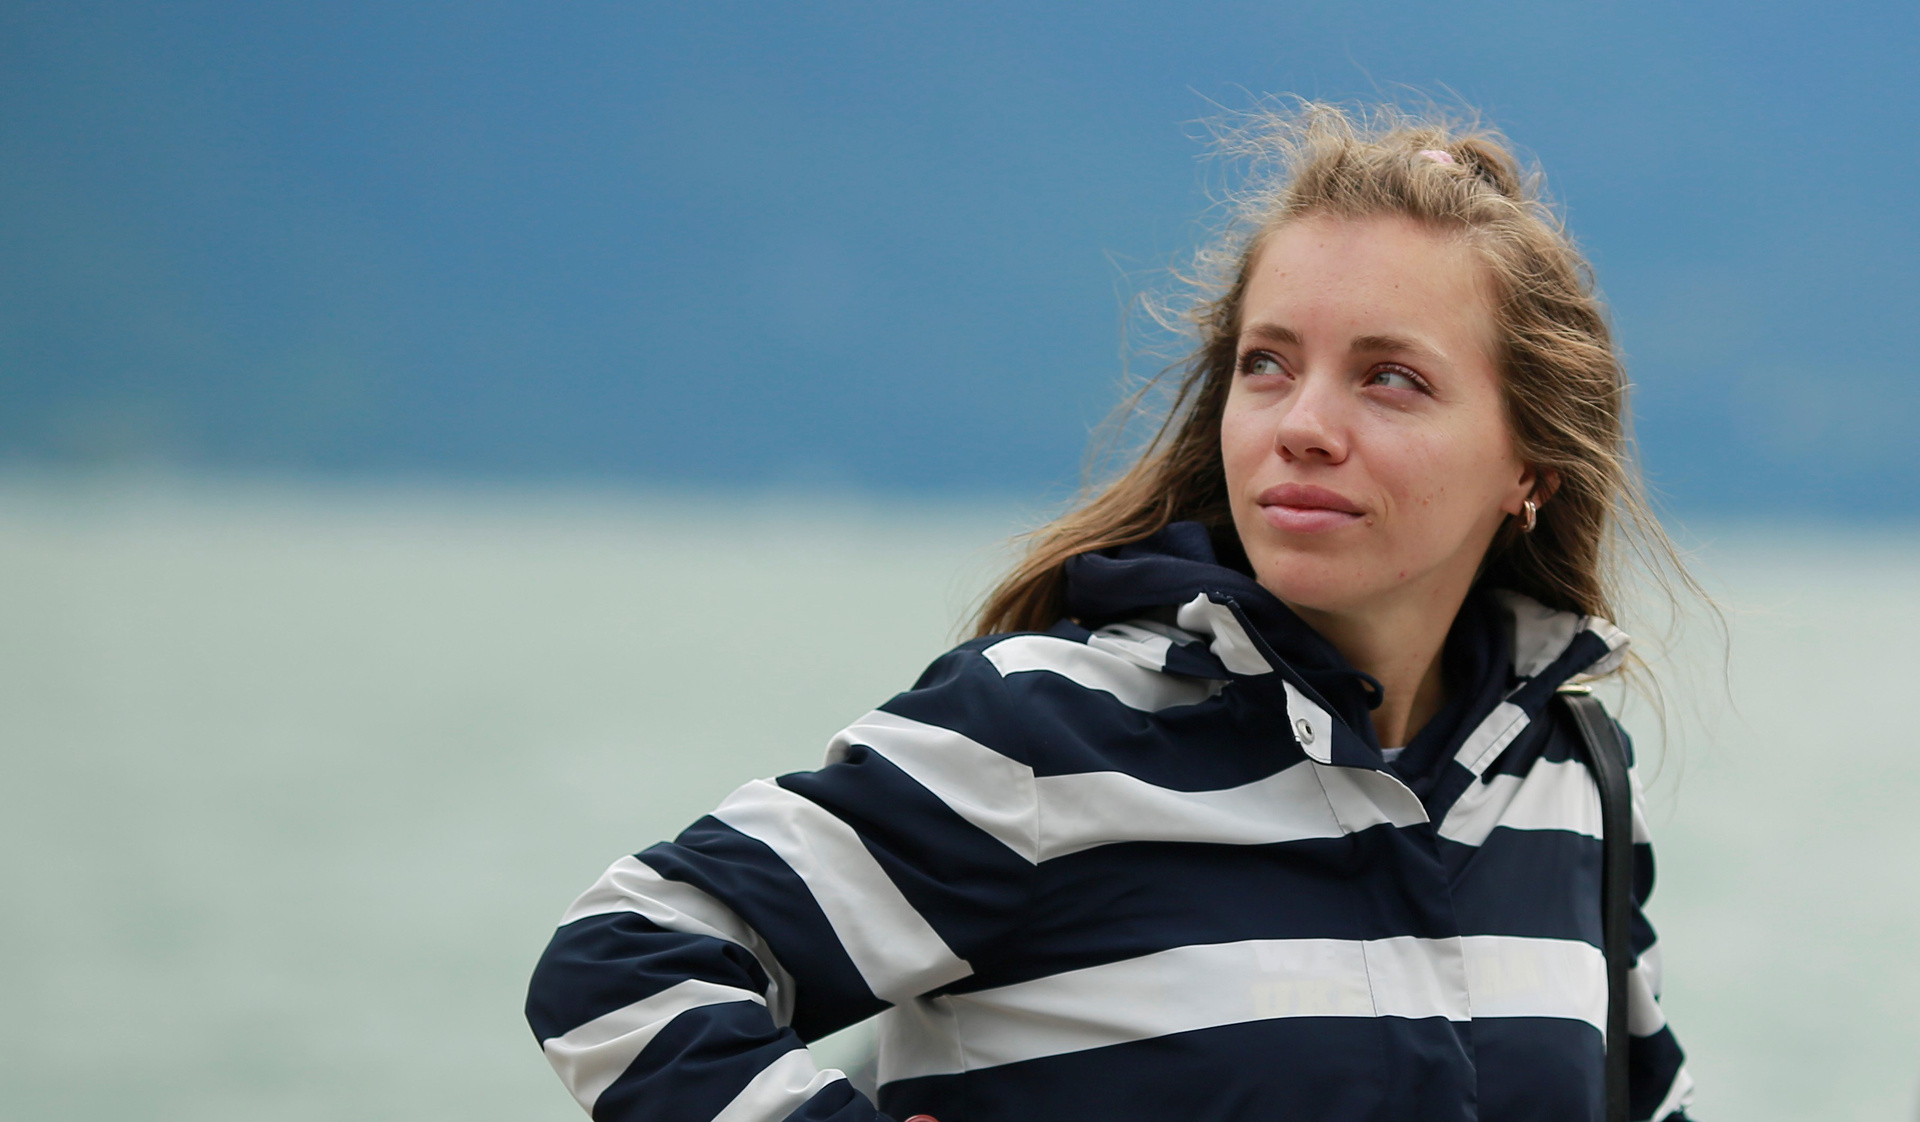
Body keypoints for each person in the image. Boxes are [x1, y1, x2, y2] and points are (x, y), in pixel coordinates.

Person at [526, 103, 1698, 1122]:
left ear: (1530, 464)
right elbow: (626, 960)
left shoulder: (1574, 780)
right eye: (1267, 363)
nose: (1301, 424)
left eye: (1390, 377)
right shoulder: (1042, 737)